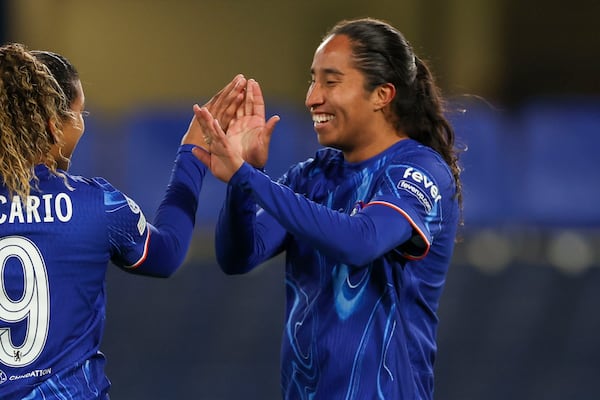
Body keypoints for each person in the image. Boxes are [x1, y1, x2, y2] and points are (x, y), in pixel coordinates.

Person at [193, 17, 462, 400]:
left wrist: (249, 179)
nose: (312, 97)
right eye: (312, 79)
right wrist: (244, 179)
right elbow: (238, 256)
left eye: (331, 82)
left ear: (382, 94)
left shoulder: (418, 170)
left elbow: (361, 241)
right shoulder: (312, 176)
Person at [0, 43, 245, 399]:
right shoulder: (98, 204)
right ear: (54, 126)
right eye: (79, 114)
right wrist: (191, 154)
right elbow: (168, 253)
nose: (81, 126)